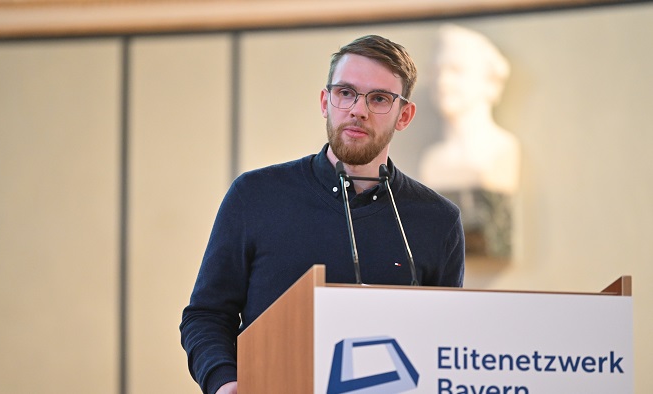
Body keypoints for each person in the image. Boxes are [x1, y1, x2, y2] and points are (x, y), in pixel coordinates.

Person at [180, 35, 465, 394]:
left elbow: (446, 342)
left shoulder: (437, 221)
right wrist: (225, 383)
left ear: (404, 115)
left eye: (378, 99)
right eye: (345, 92)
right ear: (325, 101)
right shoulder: (255, 196)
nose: (357, 110)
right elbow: (206, 316)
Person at [418, 24, 520, 258]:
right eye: (437, 71)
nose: (443, 81)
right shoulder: (431, 160)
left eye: (456, 70)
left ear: (489, 82)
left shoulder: (502, 150)